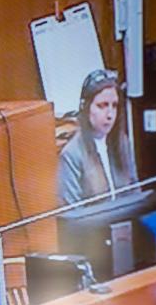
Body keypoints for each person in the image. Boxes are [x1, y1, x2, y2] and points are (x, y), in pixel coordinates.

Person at [59, 69, 137, 204]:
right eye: (102, 106)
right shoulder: (71, 155)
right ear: (86, 107)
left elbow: (135, 193)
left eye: (114, 106)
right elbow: (73, 216)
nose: (110, 114)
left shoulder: (122, 142)